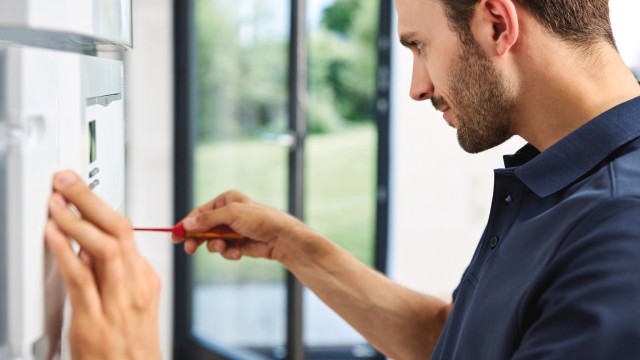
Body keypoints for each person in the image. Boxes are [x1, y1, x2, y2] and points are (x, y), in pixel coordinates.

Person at [46, 0, 640, 358]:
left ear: (496, 23)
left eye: (419, 46)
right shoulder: (564, 176)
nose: (417, 86)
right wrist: (293, 246)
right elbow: (454, 341)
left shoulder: (621, 238)